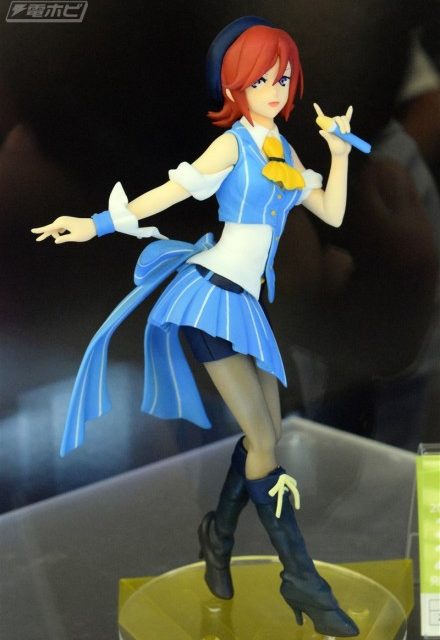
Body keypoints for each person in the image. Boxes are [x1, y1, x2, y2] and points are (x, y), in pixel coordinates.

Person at [32, 16, 358, 637]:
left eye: (282, 78)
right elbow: (170, 192)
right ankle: (304, 582)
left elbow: (333, 214)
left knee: (269, 436)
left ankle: (218, 533)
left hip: (246, 306)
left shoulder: (284, 150)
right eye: (260, 79)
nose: (274, 89)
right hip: (210, 298)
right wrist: (96, 223)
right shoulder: (232, 146)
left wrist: (339, 153)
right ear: (235, 85)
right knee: (264, 442)